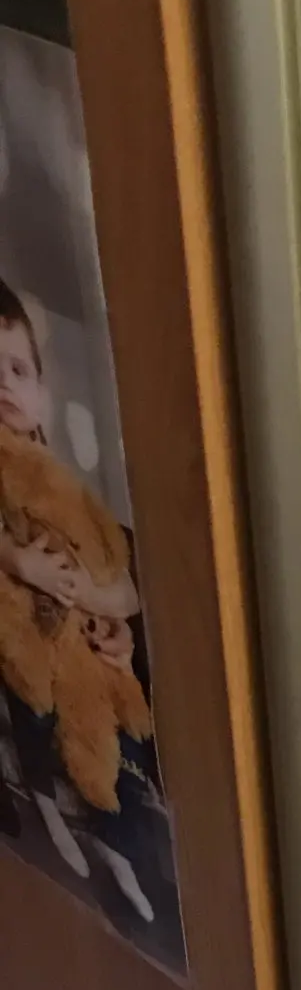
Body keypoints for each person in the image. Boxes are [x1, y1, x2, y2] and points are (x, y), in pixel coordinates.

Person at [0, 284, 156, 921]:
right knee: (35, 698)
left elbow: (121, 578)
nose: (3, 385)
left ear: (41, 392)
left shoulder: (60, 478)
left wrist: (107, 611)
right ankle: (45, 796)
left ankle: (124, 828)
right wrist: (19, 563)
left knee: (117, 694)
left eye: (17, 370)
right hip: (23, 637)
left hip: (79, 627)